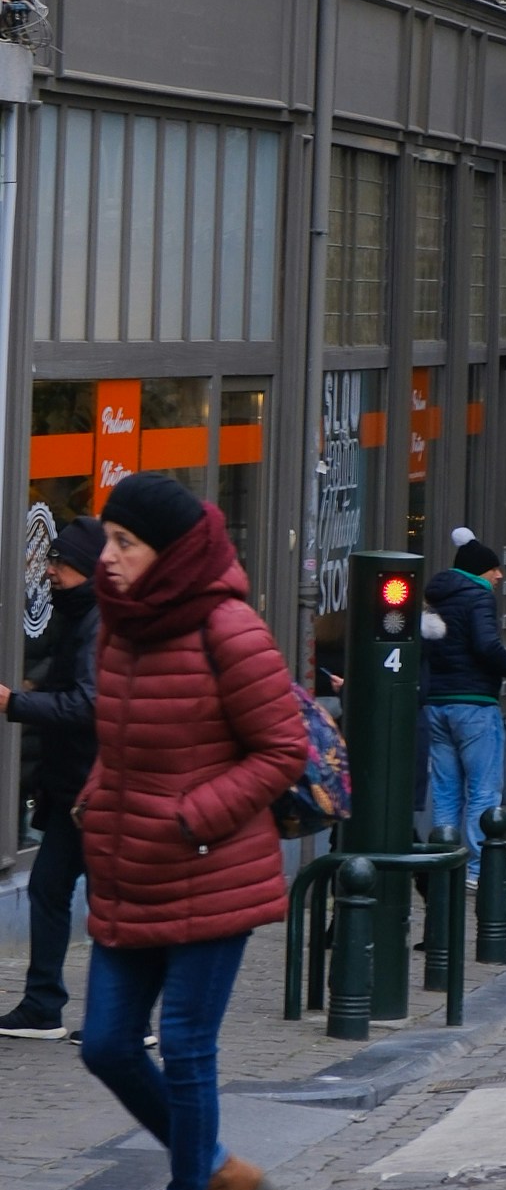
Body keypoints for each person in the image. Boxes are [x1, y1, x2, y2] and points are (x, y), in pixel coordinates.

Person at [75, 472, 306, 1190]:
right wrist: (96, 794)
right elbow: (121, 737)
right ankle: (209, 1164)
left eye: (125, 542)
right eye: (107, 538)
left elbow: (282, 748)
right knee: (107, 1044)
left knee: (184, 1044)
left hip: (210, 869)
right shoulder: (120, 619)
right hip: (130, 867)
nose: (107, 557)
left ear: (169, 552)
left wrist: (192, 814)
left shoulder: (228, 626)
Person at [0, 516, 105, 1036]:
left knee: (109, 903)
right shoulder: (80, 617)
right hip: (73, 787)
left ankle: (118, 1015)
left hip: (95, 790)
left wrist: (19, 703)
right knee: (48, 886)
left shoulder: (96, 621)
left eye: (60, 562)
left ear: (85, 569)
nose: (50, 570)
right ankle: (44, 1005)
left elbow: (89, 703)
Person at [422, 537, 506, 879]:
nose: (498, 576)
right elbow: (486, 644)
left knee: (446, 791)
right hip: (475, 704)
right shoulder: (478, 597)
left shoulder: (436, 597)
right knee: (483, 789)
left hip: (437, 704)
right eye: (494, 569)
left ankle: (443, 865)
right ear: (481, 571)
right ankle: (479, 871)